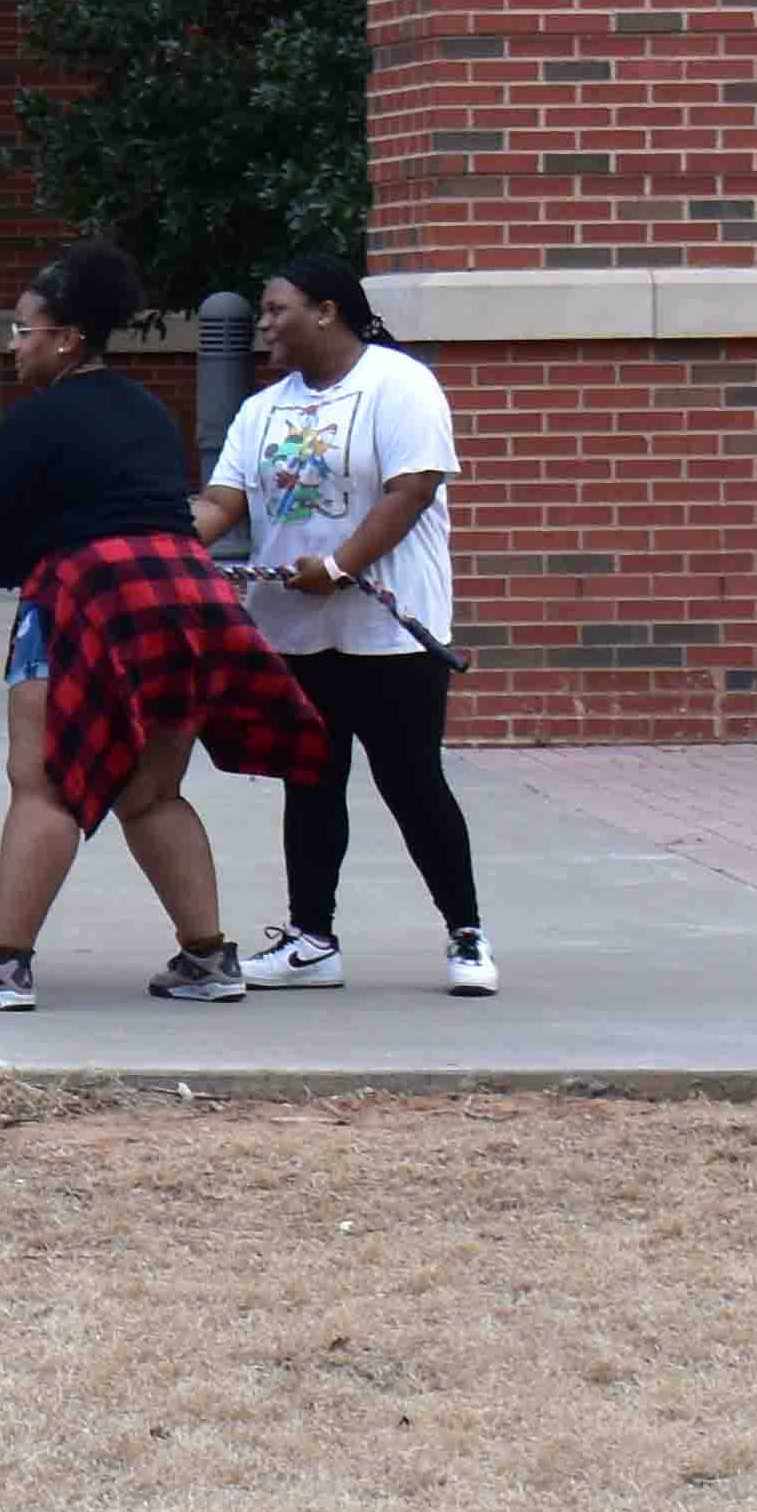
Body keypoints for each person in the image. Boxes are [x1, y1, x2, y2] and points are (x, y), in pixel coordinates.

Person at [0, 239, 330, 1013]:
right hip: (187, 602)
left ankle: (2, 966)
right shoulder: (145, 410)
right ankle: (208, 960)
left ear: (67, 337)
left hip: (88, 600)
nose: (15, 346)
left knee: (40, 785)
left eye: (24, 330)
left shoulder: (31, 425)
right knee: (154, 789)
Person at [198, 254, 495, 996]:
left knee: (411, 781)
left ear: (326, 311)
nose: (265, 325)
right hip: (297, 635)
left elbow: (412, 489)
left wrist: (337, 566)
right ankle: (312, 940)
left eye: (277, 310)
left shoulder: (399, 384)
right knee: (312, 781)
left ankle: (466, 936)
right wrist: (161, 546)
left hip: (392, 634)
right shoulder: (262, 410)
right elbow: (222, 501)